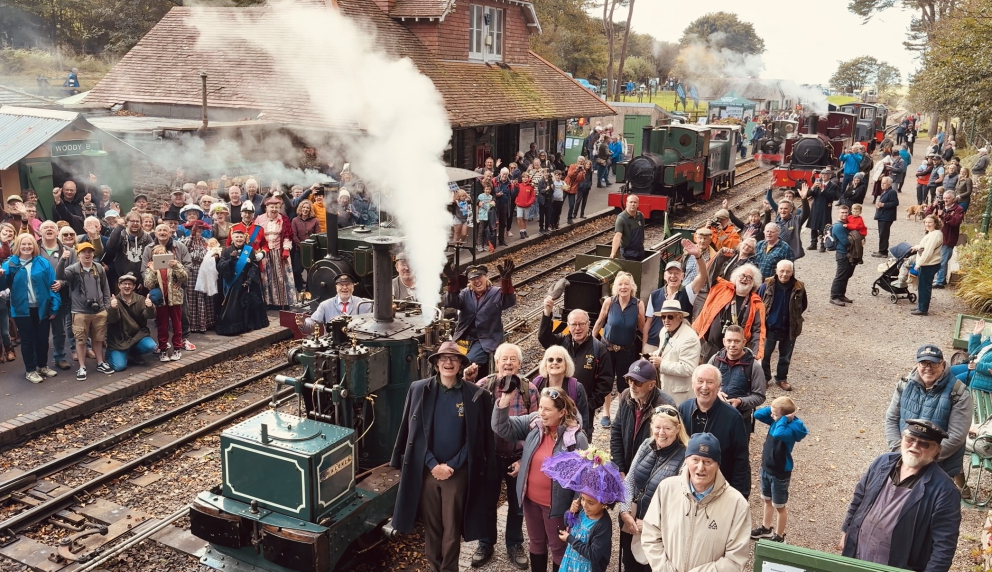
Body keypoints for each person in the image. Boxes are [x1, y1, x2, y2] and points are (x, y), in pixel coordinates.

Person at [390, 341, 496, 572]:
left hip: (457, 473)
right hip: (428, 471)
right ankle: (434, 567)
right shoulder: (419, 389)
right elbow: (411, 431)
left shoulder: (477, 395)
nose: (448, 362)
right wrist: (431, 464)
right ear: (436, 363)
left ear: (460, 364)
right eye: (443, 359)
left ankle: (449, 569)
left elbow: (476, 439)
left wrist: (452, 465)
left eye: (454, 358)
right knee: (432, 526)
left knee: (452, 528)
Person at [841, 419, 961, 572]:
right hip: (858, 556)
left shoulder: (945, 491)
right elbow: (859, 498)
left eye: (924, 444)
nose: (914, 446)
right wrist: (847, 530)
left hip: (899, 566)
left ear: (937, 450)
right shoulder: (881, 463)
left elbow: (944, 546)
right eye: (910, 439)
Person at [492, 384, 589, 571]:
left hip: (557, 506)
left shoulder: (576, 438)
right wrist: (504, 402)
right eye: (541, 407)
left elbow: (583, 476)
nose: (541, 413)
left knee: (558, 547)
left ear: (561, 412)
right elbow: (501, 427)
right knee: (536, 542)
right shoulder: (534, 424)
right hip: (531, 501)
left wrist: (576, 505)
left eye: (547, 409)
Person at [640, 433, 750, 572]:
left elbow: (735, 559)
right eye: (695, 460)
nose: (700, 468)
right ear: (686, 460)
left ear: (718, 465)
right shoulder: (666, 488)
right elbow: (650, 536)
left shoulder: (737, 504)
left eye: (707, 462)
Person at [471, 343, 537, 569]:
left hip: (517, 456)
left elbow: (536, 431)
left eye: (513, 359)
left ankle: (514, 544)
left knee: (517, 504)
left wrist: (523, 460)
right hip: (490, 457)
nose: (508, 363)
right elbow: (473, 423)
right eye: (504, 359)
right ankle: (485, 543)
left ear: (520, 364)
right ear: (496, 362)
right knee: (487, 501)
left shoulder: (530, 390)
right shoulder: (483, 386)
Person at [884, 344, 972, 492]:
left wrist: (925, 459)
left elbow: (957, 436)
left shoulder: (959, 392)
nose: (928, 368)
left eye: (933, 363)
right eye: (924, 363)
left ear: (943, 365)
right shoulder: (904, 385)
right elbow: (891, 419)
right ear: (917, 364)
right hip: (905, 458)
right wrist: (901, 451)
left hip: (939, 466)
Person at [617, 404, 688, 572]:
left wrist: (650, 525)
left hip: (660, 534)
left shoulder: (685, 457)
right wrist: (624, 512)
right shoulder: (646, 445)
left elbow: (681, 503)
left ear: (678, 429)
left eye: (667, 428)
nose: (661, 433)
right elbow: (629, 481)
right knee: (630, 565)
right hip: (633, 523)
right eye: (657, 427)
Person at [538, 302, 613, 433]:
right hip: (555, 410)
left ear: (588, 324)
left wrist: (589, 404)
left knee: (579, 446)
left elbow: (605, 382)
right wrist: (547, 313)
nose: (577, 328)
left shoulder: (599, 350)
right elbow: (543, 338)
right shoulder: (562, 343)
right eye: (573, 324)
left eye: (581, 324)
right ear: (568, 326)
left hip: (582, 412)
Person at [679, 364, 751, 497]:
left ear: (719, 386)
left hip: (719, 490)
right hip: (686, 488)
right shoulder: (684, 408)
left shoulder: (733, 417)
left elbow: (741, 460)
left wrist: (740, 496)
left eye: (710, 382)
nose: (704, 387)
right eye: (700, 381)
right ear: (693, 384)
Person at [2, 234, 60, 383]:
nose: (26, 247)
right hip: (22, 310)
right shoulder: (10, 264)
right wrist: (1, 277)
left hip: (42, 308)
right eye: (23, 244)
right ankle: (30, 370)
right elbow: (3, 287)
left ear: (34, 246)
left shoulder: (43, 263)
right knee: (28, 341)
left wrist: (54, 306)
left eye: (29, 244)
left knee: (42, 339)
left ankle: (42, 366)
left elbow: (52, 286)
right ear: (18, 246)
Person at [751, 396, 808, 543]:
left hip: (779, 473)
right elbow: (757, 414)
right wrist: (773, 408)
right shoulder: (776, 420)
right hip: (767, 468)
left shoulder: (790, 428)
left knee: (779, 506)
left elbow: (778, 434)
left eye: (775, 414)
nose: (771, 416)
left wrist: (783, 419)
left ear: (785, 417)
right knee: (767, 500)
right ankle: (765, 527)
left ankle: (779, 535)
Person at [592, 271, 645, 428]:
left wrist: (646, 348)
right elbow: (600, 321)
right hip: (607, 348)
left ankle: (622, 413)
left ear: (632, 287)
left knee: (625, 384)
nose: (623, 287)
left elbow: (642, 328)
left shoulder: (638, 304)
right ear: (615, 287)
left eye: (626, 284)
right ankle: (606, 413)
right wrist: (591, 341)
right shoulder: (609, 302)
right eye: (620, 284)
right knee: (607, 381)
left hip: (627, 350)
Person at [445, 262, 516, 379]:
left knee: (469, 361)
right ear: (469, 282)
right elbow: (452, 302)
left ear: (485, 277)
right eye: (473, 279)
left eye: (479, 277)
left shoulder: (496, 293)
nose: (477, 281)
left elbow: (509, 300)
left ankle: (467, 385)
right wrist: (452, 281)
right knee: (449, 359)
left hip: (485, 340)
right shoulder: (465, 293)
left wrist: (506, 280)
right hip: (464, 338)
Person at [610, 357, 676, 476]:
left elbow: (667, 447)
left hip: (649, 474)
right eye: (629, 380)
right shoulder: (626, 396)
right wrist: (619, 467)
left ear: (651, 385)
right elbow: (616, 431)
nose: (632, 385)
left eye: (638, 382)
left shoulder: (665, 405)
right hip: (625, 467)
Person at [556, 449, 619, 572]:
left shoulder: (603, 525)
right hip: (570, 563)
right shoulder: (582, 511)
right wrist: (571, 512)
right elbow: (568, 523)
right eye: (583, 499)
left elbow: (593, 554)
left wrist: (570, 539)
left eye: (591, 503)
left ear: (604, 504)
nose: (584, 505)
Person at [60, 241, 113, 380]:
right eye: (84, 252)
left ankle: (100, 362)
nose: (87, 254)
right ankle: (82, 367)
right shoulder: (73, 269)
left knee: (98, 338)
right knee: (81, 340)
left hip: (99, 311)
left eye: (90, 251)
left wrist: (106, 307)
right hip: (80, 311)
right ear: (78, 255)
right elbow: (59, 276)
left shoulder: (99, 268)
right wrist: (62, 259)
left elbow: (105, 288)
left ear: (93, 253)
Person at [643, 241, 707, 354]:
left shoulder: (688, 292)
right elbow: (648, 322)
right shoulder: (655, 295)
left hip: (676, 347)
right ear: (664, 276)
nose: (673, 276)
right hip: (653, 345)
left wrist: (698, 256)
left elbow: (702, 276)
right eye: (670, 273)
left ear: (682, 276)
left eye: (677, 273)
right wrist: (644, 346)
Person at [692, 264, 766, 362]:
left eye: (749, 278)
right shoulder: (721, 288)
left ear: (754, 282)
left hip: (735, 352)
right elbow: (708, 274)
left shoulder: (756, 303)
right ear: (736, 277)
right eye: (742, 275)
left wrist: (757, 355)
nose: (745, 279)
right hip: (711, 347)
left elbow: (758, 331)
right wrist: (721, 257)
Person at [758, 260, 807, 391]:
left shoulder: (799, 287)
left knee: (785, 356)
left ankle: (781, 378)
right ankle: (764, 378)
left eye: (788, 271)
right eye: (782, 271)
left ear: (792, 272)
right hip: (769, 328)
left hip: (789, 328)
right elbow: (758, 303)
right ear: (776, 271)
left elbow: (803, 305)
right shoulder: (766, 285)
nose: (784, 274)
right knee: (765, 355)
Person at [215, 223, 269, 336]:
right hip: (233, 283)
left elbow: (254, 266)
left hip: (248, 282)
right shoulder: (226, 250)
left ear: (245, 238)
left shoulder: (249, 250)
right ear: (232, 238)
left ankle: (249, 325)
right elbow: (220, 266)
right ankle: (235, 328)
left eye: (241, 237)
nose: (239, 239)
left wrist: (249, 280)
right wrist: (231, 260)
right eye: (236, 236)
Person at [708, 325, 766, 425]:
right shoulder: (715, 360)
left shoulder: (754, 366)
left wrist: (740, 401)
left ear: (744, 342)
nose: (732, 345)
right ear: (724, 341)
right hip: (714, 415)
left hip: (740, 419)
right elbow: (703, 383)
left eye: (737, 341)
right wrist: (716, 392)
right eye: (729, 340)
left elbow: (759, 396)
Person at [647, 299, 701, 405]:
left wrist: (661, 363)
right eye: (663, 317)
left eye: (670, 317)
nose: (666, 320)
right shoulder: (664, 331)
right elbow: (666, 350)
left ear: (680, 317)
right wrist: (654, 354)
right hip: (664, 388)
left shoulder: (689, 338)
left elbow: (688, 368)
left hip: (680, 394)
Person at [533, 345, 594, 438]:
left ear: (566, 364)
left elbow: (584, 420)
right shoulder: (537, 383)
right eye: (550, 360)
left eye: (559, 360)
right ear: (545, 364)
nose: (554, 363)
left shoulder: (576, 387)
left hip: (567, 437)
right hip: (541, 434)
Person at [144, 244, 187, 362]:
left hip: (174, 299)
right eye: (156, 255)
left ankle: (177, 348)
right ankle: (163, 349)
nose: (159, 256)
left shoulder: (174, 264)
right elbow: (148, 284)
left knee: (177, 324)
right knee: (162, 325)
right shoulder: (151, 268)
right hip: (161, 301)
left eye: (162, 254)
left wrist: (176, 266)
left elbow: (184, 277)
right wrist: (152, 271)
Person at [105, 273, 157, 371]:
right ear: (119, 285)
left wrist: (150, 307)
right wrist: (113, 308)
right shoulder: (113, 301)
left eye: (130, 284)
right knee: (119, 367)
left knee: (151, 346)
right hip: (119, 340)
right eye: (124, 284)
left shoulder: (140, 299)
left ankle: (133, 352)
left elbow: (149, 316)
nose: (127, 286)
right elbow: (112, 320)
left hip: (137, 336)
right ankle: (110, 353)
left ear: (134, 286)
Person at [180, 220, 216, 331]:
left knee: (204, 296)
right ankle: (193, 324)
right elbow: (185, 251)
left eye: (200, 229)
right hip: (192, 271)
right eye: (196, 229)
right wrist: (191, 236)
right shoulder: (185, 241)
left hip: (205, 271)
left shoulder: (206, 241)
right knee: (192, 296)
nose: (198, 231)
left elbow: (213, 251)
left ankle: (205, 322)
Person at [925, 189, 964, 290]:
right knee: (937, 259)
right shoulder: (940, 206)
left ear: (954, 199)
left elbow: (955, 222)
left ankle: (940, 282)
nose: (945, 200)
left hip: (948, 238)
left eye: (948, 198)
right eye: (944, 198)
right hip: (937, 237)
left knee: (942, 261)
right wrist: (933, 205)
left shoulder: (958, 209)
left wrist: (944, 215)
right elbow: (927, 214)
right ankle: (940, 279)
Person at [910, 215, 943, 316]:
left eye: (930, 222)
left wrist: (918, 264)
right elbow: (925, 246)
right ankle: (921, 306)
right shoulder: (933, 233)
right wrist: (916, 247)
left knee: (924, 287)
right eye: (926, 222)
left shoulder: (935, 235)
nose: (927, 224)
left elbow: (928, 252)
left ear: (935, 223)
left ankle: (923, 309)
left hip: (929, 264)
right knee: (922, 286)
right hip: (929, 263)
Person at [829, 205, 857, 307]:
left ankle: (841, 294)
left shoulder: (847, 224)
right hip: (843, 254)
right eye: (842, 212)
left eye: (846, 212)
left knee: (847, 275)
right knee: (840, 276)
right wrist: (858, 241)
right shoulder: (838, 226)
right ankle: (834, 296)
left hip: (849, 253)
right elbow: (845, 241)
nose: (844, 214)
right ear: (838, 213)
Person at [290, 200, 318, 292]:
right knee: (296, 270)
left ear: (310, 210)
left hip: (312, 250)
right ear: (300, 208)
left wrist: (310, 246)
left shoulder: (315, 221)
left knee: (311, 271)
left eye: (307, 208)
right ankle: (300, 288)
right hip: (299, 249)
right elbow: (294, 235)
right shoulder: (295, 220)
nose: (305, 209)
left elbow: (318, 235)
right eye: (304, 207)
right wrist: (302, 245)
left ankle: (309, 290)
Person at [609, 195, 645, 260]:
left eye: (635, 202)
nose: (633, 204)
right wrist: (613, 253)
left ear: (638, 204)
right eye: (631, 202)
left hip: (640, 251)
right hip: (628, 253)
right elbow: (617, 236)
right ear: (626, 203)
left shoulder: (640, 216)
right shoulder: (621, 218)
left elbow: (642, 231)